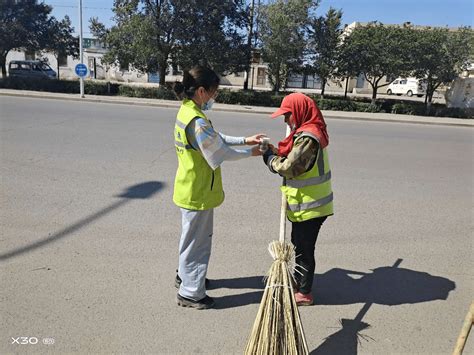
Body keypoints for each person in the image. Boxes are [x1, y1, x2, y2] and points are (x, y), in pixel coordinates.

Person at [172, 65, 266, 310]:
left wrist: (245, 139)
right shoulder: (197, 121)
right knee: (198, 244)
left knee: (190, 240)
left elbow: (215, 136)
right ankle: (191, 293)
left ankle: (186, 277)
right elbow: (220, 152)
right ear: (201, 91)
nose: (214, 97)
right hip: (199, 191)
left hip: (189, 186)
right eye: (213, 93)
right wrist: (251, 152)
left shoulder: (188, 111)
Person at [262, 92, 333, 306]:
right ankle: (299, 282)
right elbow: (292, 156)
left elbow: (290, 167)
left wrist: (270, 160)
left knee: (304, 248)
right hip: (304, 204)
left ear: (299, 112)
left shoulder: (309, 136)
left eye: (287, 115)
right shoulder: (304, 133)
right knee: (299, 245)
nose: (285, 120)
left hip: (312, 206)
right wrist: (275, 152)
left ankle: (305, 292)